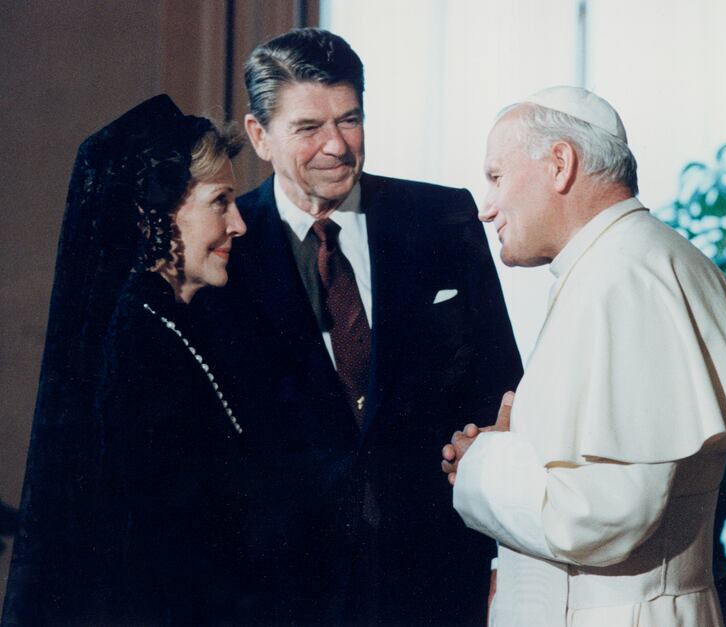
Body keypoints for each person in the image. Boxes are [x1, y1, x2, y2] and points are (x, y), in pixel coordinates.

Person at [194, 28, 523, 626]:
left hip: (437, 577)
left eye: (350, 120)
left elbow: (501, 388)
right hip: (281, 590)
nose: (337, 146)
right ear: (259, 136)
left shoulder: (442, 218)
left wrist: (510, 557)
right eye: (308, 127)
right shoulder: (225, 250)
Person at [441, 86, 726, 626]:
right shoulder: (635, 260)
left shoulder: (622, 276)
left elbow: (604, 515)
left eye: (496, 177)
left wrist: (481, 464)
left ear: (560, 164)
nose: (487, 209)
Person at [2, 95, 254, 625]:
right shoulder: (135, 345)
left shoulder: (179, 326)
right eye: (220, 202)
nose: (238, 224)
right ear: (153, 214)